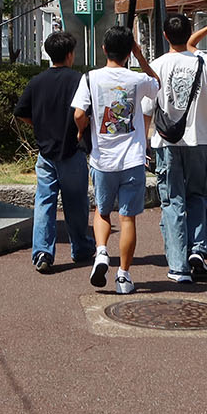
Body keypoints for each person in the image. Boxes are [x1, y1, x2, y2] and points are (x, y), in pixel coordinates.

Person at [72, 24, 160, 295]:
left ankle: (101, 252)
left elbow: (78, 114)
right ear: (129, 52)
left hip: (103, 159)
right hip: (132, 159)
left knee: (102, 211)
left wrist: (81, 129)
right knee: (128, 219)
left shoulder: (90, 78)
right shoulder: (136, 80)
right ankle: (124, 275)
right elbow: (157, 84)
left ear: (104, 49)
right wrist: (141, 57)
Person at [144, 13, 207, 283]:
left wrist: (145, 140)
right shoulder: (205, 64)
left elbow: (146, 109)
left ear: (165, 36)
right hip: (199, 140)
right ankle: (198, 251)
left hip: (167, 142)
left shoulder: (157, 66)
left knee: (172, 201)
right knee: (198, 196)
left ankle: (178, 266)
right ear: (188, 33)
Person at [14, 31, 94, 273]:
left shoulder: (36, 82)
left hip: (45, 152)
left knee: (45, 202)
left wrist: (38, 125)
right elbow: (85, 113)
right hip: (72, 149)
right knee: (76, 202)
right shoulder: (79, 80)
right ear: (70, 54)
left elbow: (21, 112)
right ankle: (80, 248)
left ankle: (42, 252)